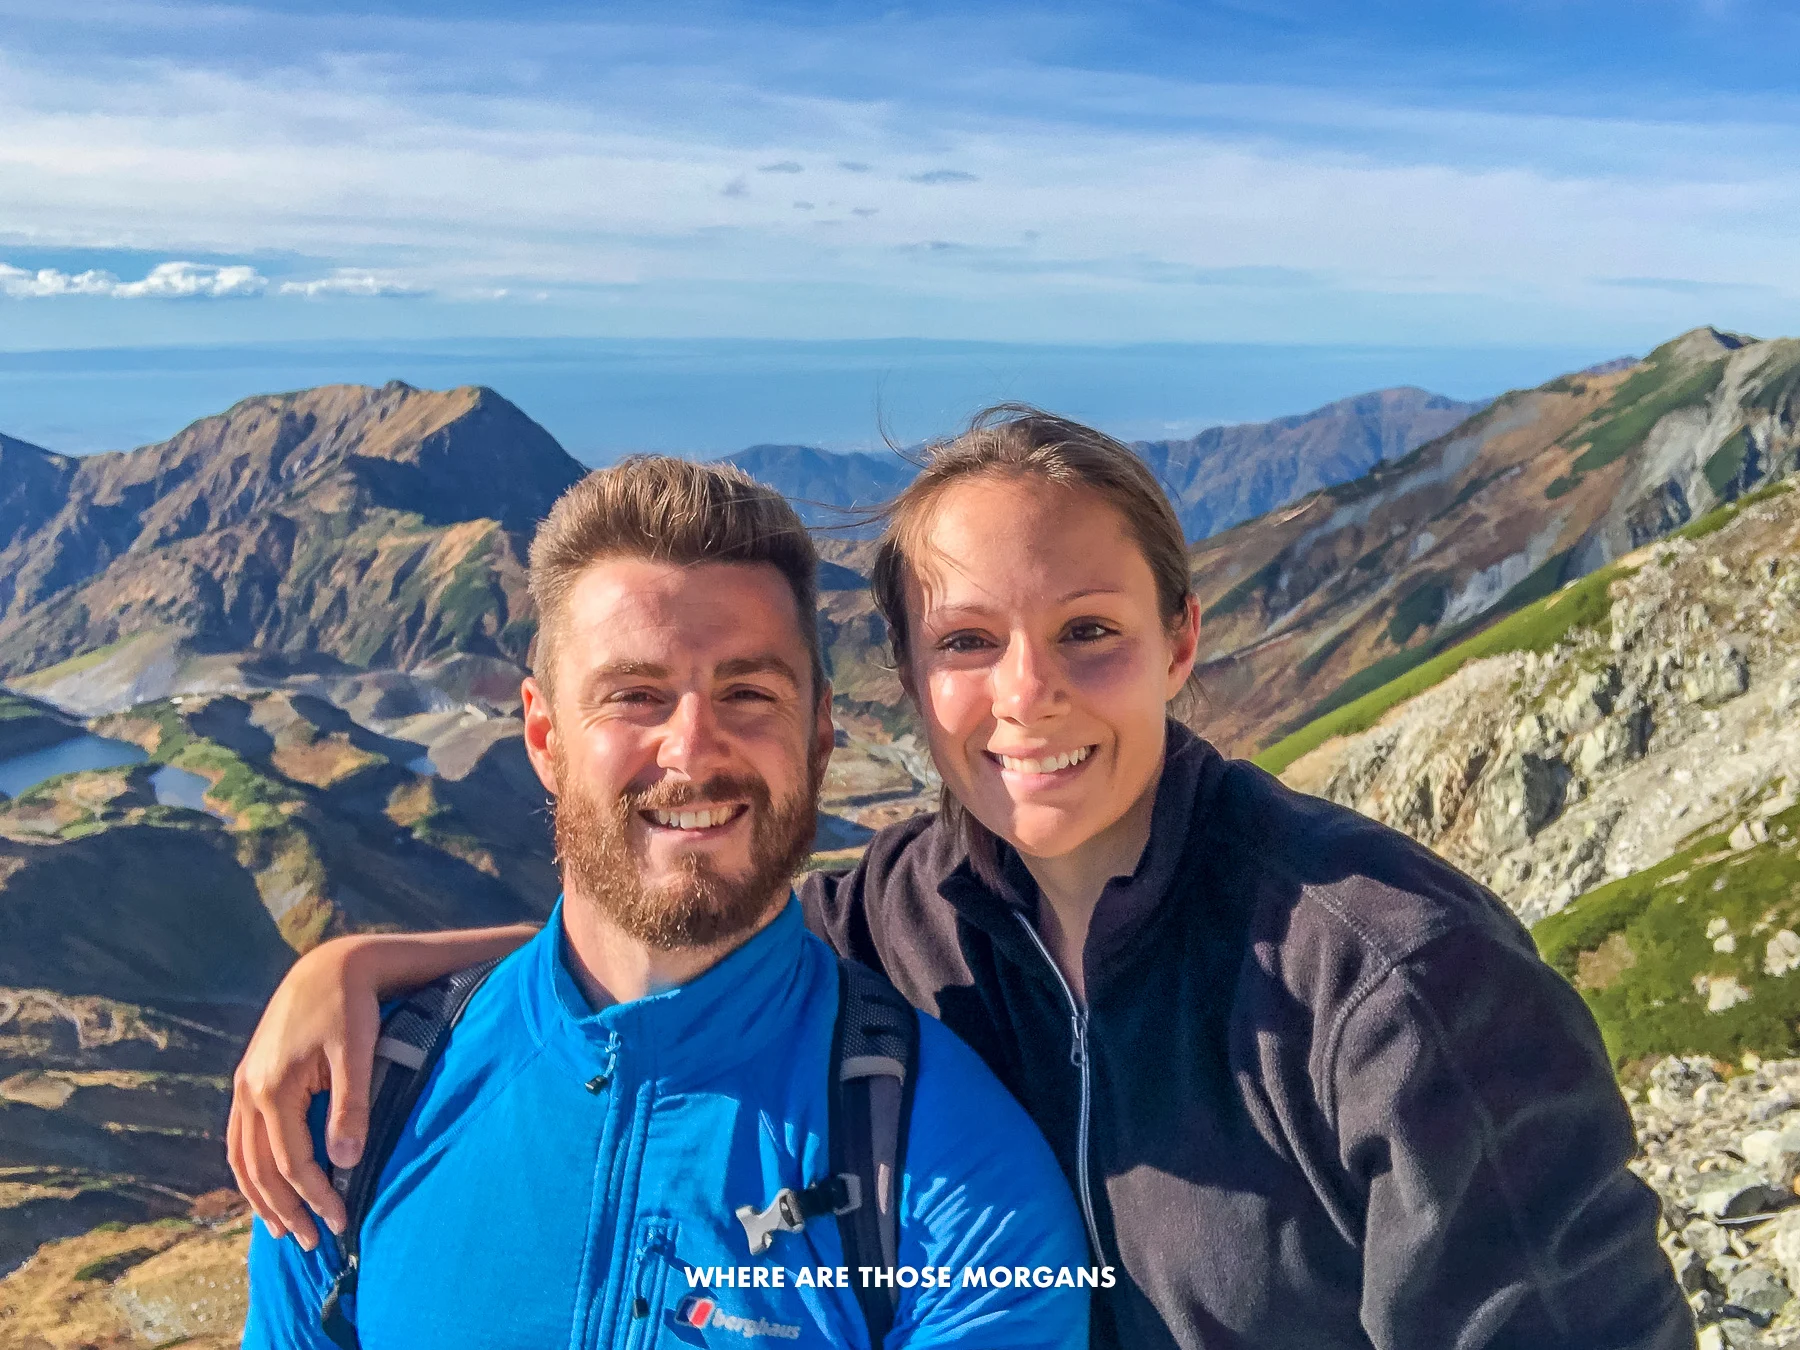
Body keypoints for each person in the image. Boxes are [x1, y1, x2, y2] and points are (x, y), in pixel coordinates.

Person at [234, 409, 1694, 1350]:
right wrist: (376, 966)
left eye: (1090, 634)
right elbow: (677, 927)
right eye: (969, 643)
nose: (1028, 700)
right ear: (905, 689)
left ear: (1181, 641)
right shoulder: (902, 906)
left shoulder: (1388, 984)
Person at [237, 456, 1089, 1349]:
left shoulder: (964, 1192)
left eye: (748, 693)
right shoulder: (352, 1114)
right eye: (635, 696)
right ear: (543, 734)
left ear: (821, 735)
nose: (692, 748)